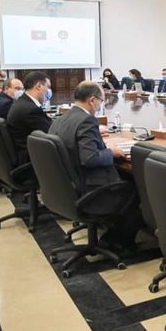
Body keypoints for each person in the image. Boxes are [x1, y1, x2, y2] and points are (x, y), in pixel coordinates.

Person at [49, 81, 142, 251]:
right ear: (92, 100)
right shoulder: (87, 121)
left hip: (68, 186)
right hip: (89, 187)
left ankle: (109, 229)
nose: (101, 105)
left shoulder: (62, 118)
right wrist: (111, 152)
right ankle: (120, 242)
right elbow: (90, 159)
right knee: (135, 188)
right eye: (101, 100)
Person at [6, 71, 52, 164]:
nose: (49, 91)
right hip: (32, 158)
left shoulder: (22, 102)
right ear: (39, 86)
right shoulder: (30, 110)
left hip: (23, 152)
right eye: (48, 87)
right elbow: (51, 133)